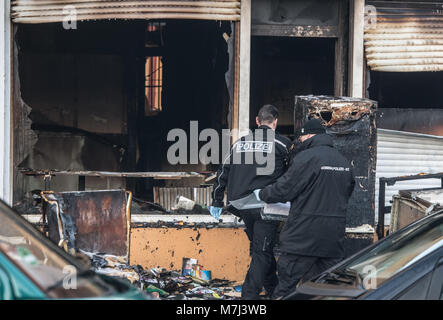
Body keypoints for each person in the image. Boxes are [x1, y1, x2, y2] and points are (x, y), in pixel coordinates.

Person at [257, 118, 355, 299]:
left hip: (302, 240)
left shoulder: (306, 158)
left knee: (285, 289)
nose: (300, 141)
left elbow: (284, 190)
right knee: (323, 292)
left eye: (301, 138)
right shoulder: (343, 162)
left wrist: (263, 193)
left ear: (308, 135)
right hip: (332, 241)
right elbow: (347, 193)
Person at [210, 104, 292, 300]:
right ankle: (249, 297)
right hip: (267, 206)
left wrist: (216, 200)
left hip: (241, 205)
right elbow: (293, 175)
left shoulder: (239, 143)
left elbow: (223, 172)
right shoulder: (283, 144)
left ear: (257, 121)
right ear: (275, 122)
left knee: (261, 250)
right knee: (262, 252)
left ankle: (274, 291)